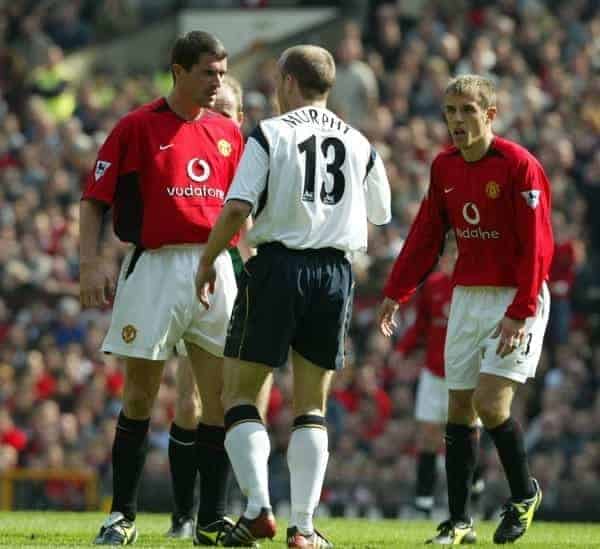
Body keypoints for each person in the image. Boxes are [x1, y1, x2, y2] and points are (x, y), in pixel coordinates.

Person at [195, 45, 391, 548]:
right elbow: (382, 211)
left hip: (279, 266)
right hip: (334, 274)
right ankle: (303, 528)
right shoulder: (360, 142)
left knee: (238, 393)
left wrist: (207, 259)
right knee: (312, 405)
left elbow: (238, 207)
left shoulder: (269, 133)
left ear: (287, 81)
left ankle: (259, 508)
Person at [80, 31, 245, 546]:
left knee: (215, 397)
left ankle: (211, 519)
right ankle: (122, 515)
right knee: (140, 393)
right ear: (178, 70)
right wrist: (90, 264)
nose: (217, 83)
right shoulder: (136, 126)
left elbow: (243, 210)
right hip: (153, 268)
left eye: (222, 73)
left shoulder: (228, 133)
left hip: (215, 268)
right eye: (207, 73)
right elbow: (94, 200)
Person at [378, 74, 553, 545]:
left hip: (518, 296)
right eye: (450, 112)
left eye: (467, 111)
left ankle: (523, 494)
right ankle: (459, 521)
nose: (457, 121)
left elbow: (538, 245)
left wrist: (521, 308)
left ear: (490, 114)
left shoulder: (519, 165)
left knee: (490, 402)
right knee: (458, 407)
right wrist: (398, 289)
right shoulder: (444, 167)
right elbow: (426, 234)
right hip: (468, 296)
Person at [166, 75, 274, 541]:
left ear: (241, 118)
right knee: (191, 402)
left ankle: (241, 505)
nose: (219, 121)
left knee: (245, 404)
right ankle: (183, 512)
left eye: (228, 113)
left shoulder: (257, 159)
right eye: (215, 112)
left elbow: (255, 224)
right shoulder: (198, 152)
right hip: (199, 275)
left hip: (240, 278)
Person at [393, 238, 485, 518]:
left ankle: (475, 489)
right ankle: (423, 504)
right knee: (428, 437)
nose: (453, 258)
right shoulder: (432, 286)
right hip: (434, 373)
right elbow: (421, 325)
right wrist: (402, 351)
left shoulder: (475, 289)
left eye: (458, 253)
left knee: (467, 436)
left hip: (467, 373)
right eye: (449, 253)